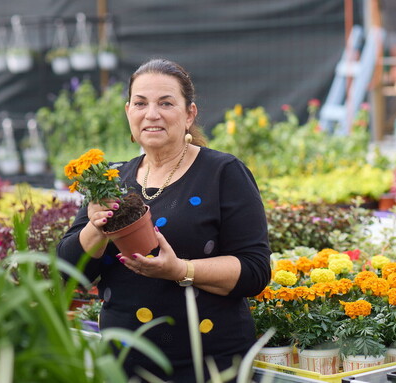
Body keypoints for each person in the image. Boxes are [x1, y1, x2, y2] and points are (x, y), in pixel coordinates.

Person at [57, 58, 271, 382]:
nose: (151, 114)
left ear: (189, 115)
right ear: (129, 111)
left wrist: (181, 270)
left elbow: (255, 270)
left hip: (210, 364)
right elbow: (68, 274)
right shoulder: (109, 181)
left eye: (166, 103)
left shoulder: (223, 173)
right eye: (141, 103)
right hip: (124, 364)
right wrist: (96, 228)